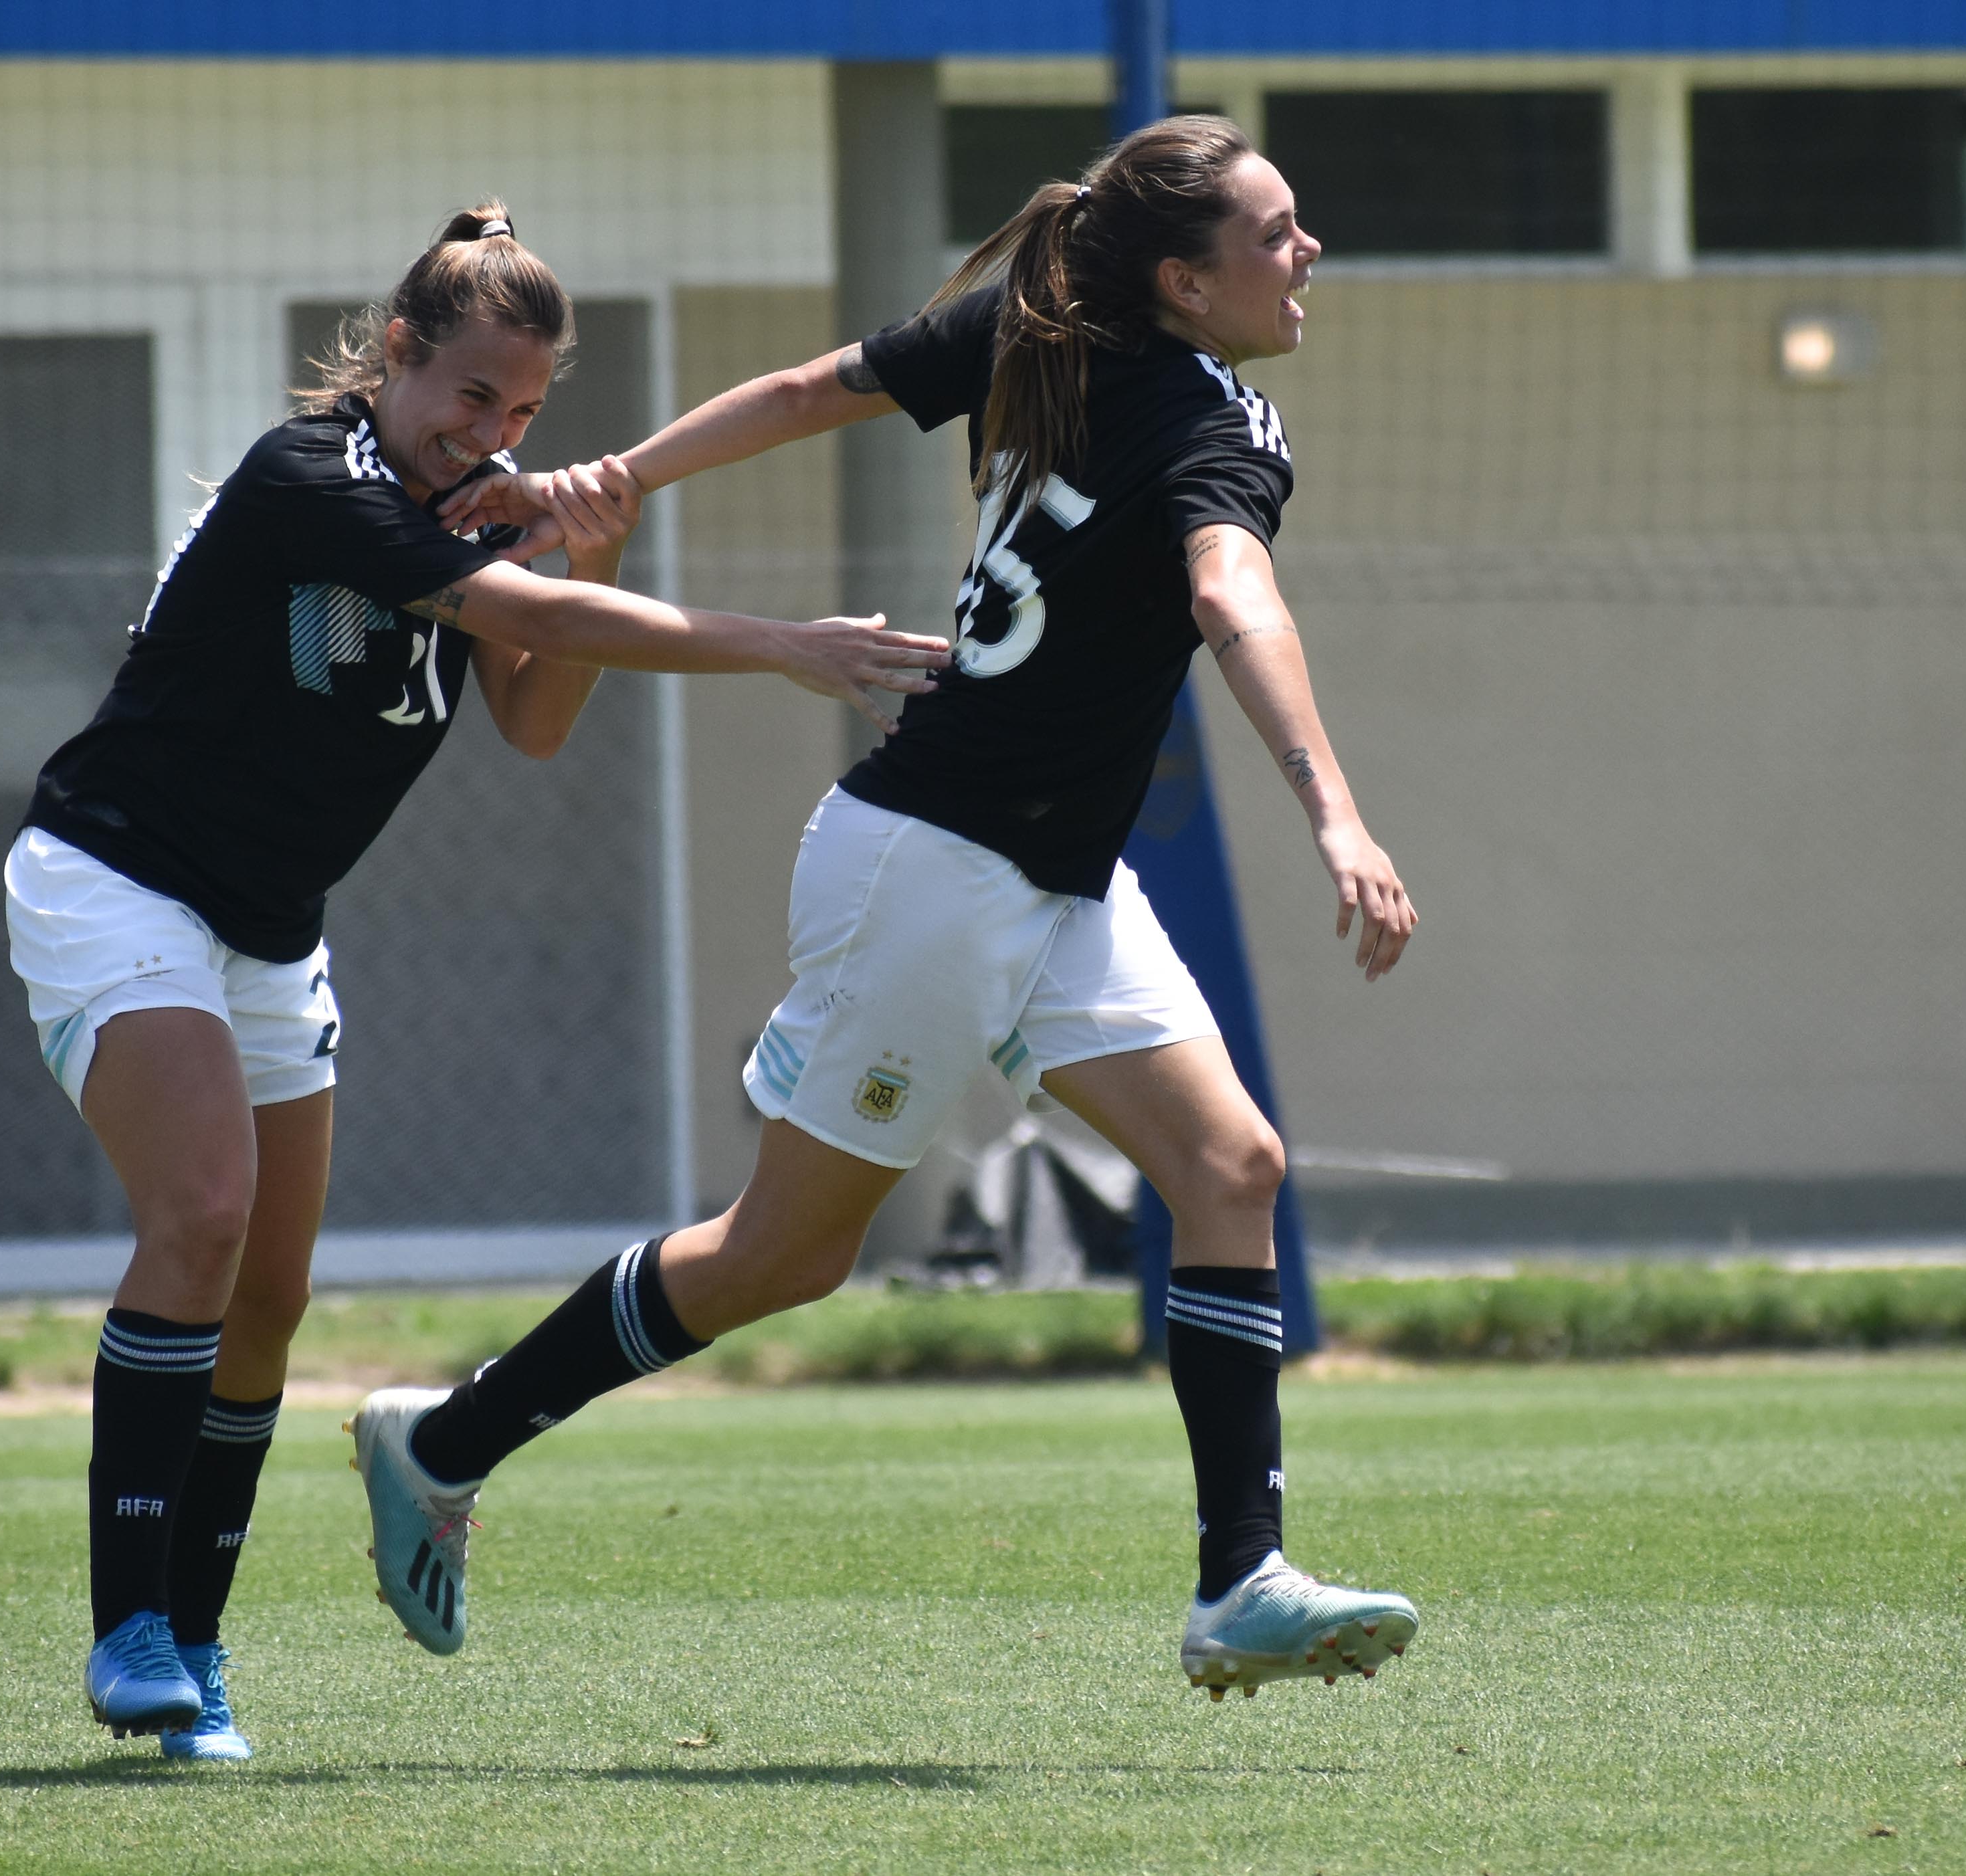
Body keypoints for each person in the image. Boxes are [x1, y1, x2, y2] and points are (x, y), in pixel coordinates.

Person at [353, 119, 1421, 1700]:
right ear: (1186, 282)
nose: (1307, 249)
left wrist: (623, 471)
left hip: (1045, 874)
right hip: (928, 867)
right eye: (1275, 233)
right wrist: (1334, 804)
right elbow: (1230, 595)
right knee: (782, 1258)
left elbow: (806, 394)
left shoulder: (1043, 326)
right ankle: (440, 1440)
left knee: (1232, 1164)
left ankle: (1237, 1578)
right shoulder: (1201, 415)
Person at [7, 202, 950, 1760]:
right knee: (201, 1215)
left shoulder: (472, 505)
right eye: (468, 398)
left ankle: (196, 1647)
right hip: (116, 883)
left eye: (522, 411)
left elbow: (531, 713)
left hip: (267, 924)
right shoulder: (311, 478)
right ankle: (126, 1629)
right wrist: (778, 640)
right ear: (394, 356)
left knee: (273, 1296)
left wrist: (598, 528)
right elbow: (519, 615)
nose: (492, 433)